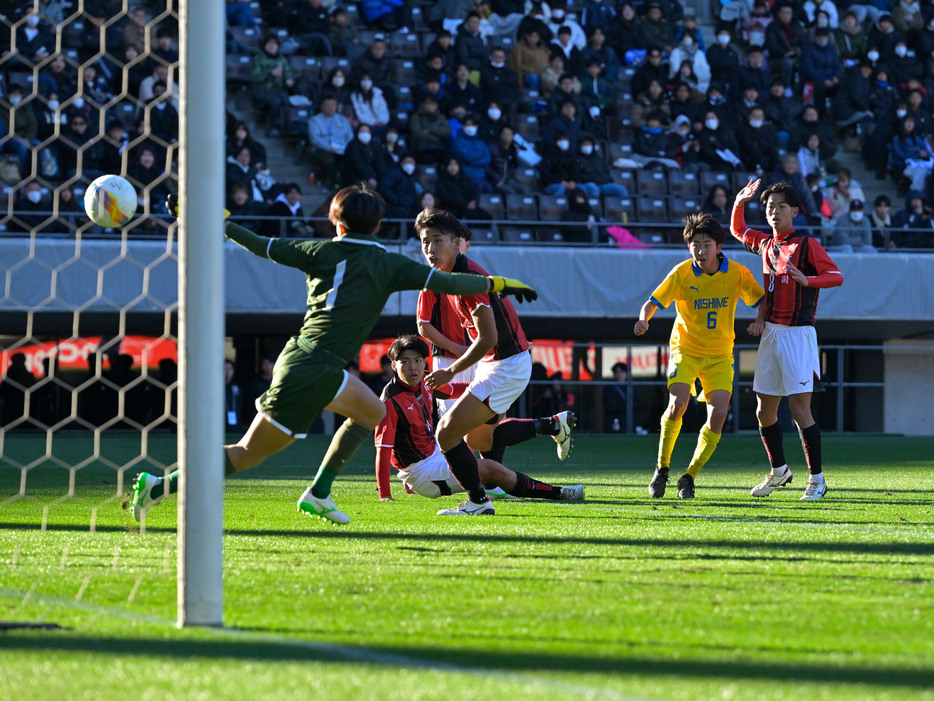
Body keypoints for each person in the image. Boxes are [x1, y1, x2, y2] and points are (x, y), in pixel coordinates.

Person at [130, 185, 538, 524]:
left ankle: (319, 493)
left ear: (335, 222)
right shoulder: (387, 262)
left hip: (308, 360)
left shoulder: (317, 251)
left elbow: (257, 243)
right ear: (378, 225)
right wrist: (498, 283)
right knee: (248, 454)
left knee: (373, 413)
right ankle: (161, 486)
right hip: (313, 368)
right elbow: (452, 283)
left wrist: (208, 214)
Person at [415, 208, 572, 516]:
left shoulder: (467, 279)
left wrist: (450, 370)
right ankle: (552, 425)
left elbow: (486, 338)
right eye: (425, 241)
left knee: (446, 433)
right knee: (479, 438)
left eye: (437, 240)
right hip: (500, 363)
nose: (431, 249)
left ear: (458, 242)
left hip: (506, 364)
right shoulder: (452, 277)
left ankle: (478, 501)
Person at [636, 213, 764, 500]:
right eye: (695, 244)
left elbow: (760, 300)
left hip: (720, 355)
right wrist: (644, 319)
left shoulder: (737, 273)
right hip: (686, 349)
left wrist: (759, 321)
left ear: (719, 247)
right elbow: (652, 301)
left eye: (707, 244)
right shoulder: (681, 273)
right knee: (678, 404)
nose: (700, 250)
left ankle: (689, 476)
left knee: (719, 412)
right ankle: (662, 469)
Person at [731, 179, 844, 501]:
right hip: (771, 334)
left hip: (798, 335)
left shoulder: (807, 245)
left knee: (799, 411)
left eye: (781, 206)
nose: (774, 211)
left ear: (795, 210)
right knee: (764, 412)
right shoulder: (766, 244)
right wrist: (740, 201)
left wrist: (807, 279)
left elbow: (836, 276)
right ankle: (779, 472)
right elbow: (739, 231)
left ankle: (817, 480)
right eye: (769, 207)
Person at [374, 335, 585, 503]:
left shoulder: (426, 381)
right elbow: (383, 450)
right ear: (394, 365)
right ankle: (560, 492)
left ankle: (549, 426)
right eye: (405, 362)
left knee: (486, 424)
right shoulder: (390, 401)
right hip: (422, 471)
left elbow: (453, 389)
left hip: (435, 453)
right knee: (490, 469)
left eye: (418, 361)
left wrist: (487, 390)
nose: (413, 367)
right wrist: (385, 493)